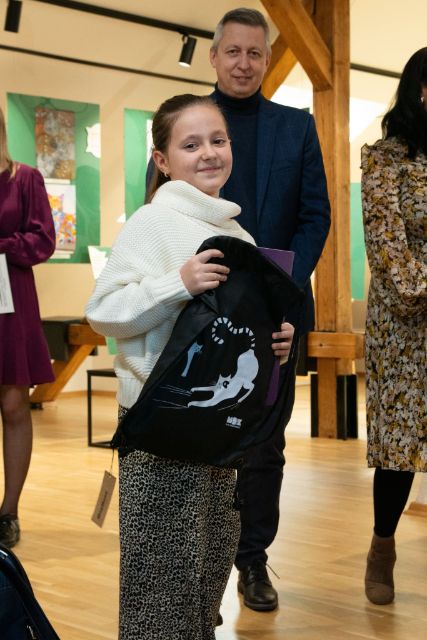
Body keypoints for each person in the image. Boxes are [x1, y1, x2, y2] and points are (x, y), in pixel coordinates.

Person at [86, 94, 294, 639]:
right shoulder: (152, 223)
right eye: (191, 144)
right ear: (162, 159)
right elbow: (103, 312)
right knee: (160, 591)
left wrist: (274, 341)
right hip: (160, 434)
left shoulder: (240, 235)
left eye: (218, 140)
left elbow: (235, 332)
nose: (209, 153)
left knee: (206, 577)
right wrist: (175, 284)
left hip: (219, 434)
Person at [209, 8, 330, 610]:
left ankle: (253, 561)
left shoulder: (296, 126)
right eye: (233, 51)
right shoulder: (189, 121)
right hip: (204, 305)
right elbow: (160, 203)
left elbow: (315, 215)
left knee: (265, 444)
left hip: (278, 311)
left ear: (265, 58)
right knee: (202, 437)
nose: (244, 63)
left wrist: (285, 284)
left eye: (255, 53)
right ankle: (203, 561)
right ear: (214, 57)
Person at [361, 47, 427, 606]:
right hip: (405, 326)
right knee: (399, 447)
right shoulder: (385, 158)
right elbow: (387, 243)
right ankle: (383, 546)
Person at [0, 107, 55, 548]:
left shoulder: (25, 178)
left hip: (11, 302)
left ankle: (9, 512)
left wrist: (2, 245)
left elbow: (43, 240)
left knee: (15, 404)